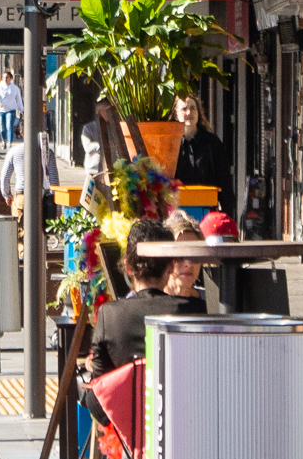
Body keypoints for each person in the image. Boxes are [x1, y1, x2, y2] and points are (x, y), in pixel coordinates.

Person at [86, 243, 206, 381]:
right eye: (181, 257)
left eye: (193, 256)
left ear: (128, 267)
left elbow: (99, 384)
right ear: (170, 267)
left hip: (129, 399)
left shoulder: (110, 314)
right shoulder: (201, 310)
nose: (188, 263)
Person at [169, 92, 233, 223]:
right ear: (175, 114)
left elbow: (224, 180)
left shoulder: (212, 143)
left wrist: (227, 215)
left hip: (206, 211)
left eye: (193, 108)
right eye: (184, 109)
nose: (189, 112)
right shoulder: (169, 144)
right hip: (176, 212)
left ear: (199, 112)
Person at [0, 129, 60, 212]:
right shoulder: (48, 153)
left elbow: (5, 177)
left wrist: (7, 196)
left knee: (20, 223)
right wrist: (57, 207)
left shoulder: (13, 152)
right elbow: (54, 181)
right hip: (41, 198)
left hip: (21, 197)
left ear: (21, 132)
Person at [0, 67, 24, 144]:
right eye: (4, 77)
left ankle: (9, 142)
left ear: (10, 78)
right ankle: (3, 140)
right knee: (2, 127)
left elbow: (18, 99)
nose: (5, 79)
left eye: (7, 77)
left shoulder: (14, 88)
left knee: (9, 126)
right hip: (1, 110)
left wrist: (21, 109)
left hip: (11, 109)